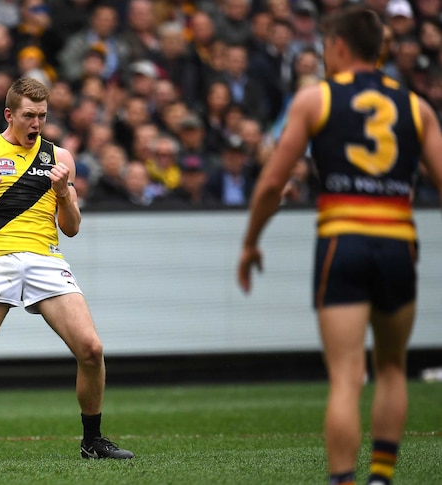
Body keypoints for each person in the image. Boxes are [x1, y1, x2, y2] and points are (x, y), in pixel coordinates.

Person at [237, 7, 442, 485]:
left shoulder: (316, 100)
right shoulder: (417, 107)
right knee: (393, 368)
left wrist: (250, 243)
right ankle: (382, 478)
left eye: (328, 47)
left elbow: (272, 181)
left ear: (342, 47)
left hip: (342, 241)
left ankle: (344, 480)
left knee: (347, 376)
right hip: (397, 244)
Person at [0, 76, 134, 462]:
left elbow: (73, 228)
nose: (36, 124)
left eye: (42, 116)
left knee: (92, 349)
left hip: (46, 258)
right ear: (9, 114)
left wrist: (64, 193)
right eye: (29, 115)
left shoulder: (60, 158)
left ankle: (92, 440)